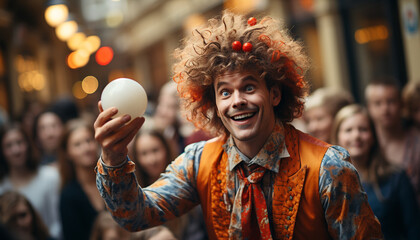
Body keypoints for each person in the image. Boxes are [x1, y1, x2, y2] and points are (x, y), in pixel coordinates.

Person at [94, 11, 382, 239]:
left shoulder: (329, 168)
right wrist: (114, 158)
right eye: (225, 92)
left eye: (248, 87)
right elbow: (135, 215)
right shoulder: (199, 162)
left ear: (275, 93)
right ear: (214, 105)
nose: (237, 101)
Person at [331, 104, 420, 239]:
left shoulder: (397, 178)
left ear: (373, 136)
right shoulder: (328, 184)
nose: (356, 136)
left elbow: (414, 230)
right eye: (348, 130)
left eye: (363, 129)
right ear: (337, 138)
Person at [132, 130, 207, 239]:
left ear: (166, 149)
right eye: (144, 153)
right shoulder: (134, 195)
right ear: (136, 158)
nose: (151, 159)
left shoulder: (186, 186)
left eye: (155, 150)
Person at [0, 122, 62, 239]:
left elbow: (56, 223)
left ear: (28, 144)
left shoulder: (50, 177)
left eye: (19, 142)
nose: (16, 150)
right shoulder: (2, 187)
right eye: (8, 146)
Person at [365, 77, 420, 204]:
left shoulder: (416, 141)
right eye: (378, 103)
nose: (385, 109)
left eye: (390, 102)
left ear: (401, 104)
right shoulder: (365, 144)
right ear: (369, 107)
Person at [59, 119, 104, 240]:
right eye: (77, 145)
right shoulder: (68, 196)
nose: (86, 148)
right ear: (68, 153)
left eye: (89, 141)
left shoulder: (112, 181)